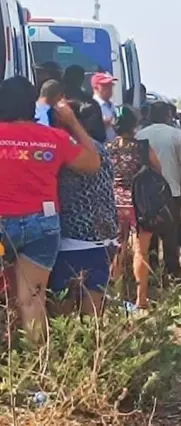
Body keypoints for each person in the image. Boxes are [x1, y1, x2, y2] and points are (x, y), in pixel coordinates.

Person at [0, 76, 100, 340]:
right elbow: (92, 163)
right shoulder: (53, 138)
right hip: (42, 226)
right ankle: (38, 368)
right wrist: (72, 123)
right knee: (32, 299)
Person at [48, 100, 119, 317]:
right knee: (93, 316)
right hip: (105, 236)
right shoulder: (102, 149)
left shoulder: (69, 151)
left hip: (73, 239)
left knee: (62, 312)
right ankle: (95, 348)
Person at [136, 101, 181, 281]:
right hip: (172, 190)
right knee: (172, 234)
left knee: (149, 235)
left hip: (145, 194)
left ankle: (153, 273)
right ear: (168, 115)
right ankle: (174, 273)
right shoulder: (177, 135)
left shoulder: (140, 135)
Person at [107, 105, 162, 309]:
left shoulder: (108, 148)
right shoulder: (143, 147)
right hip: (140, 204)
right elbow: (158, 169)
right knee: (141, 251)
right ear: (135, 124)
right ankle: (142, 299)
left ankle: (117, 297)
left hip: (114, 204)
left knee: (117, 250)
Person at [63, 65, 107, 143]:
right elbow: (100, 135)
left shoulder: (55, 100)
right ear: (82, 79)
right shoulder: (92, 103)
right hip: (86, 147)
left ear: (64, 77)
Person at [91, 72, 118, 142]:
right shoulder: (92, 106)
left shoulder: (113, 105)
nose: (109, 88)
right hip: (100, 147)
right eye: (105, 85)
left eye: (110, 85)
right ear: (96, 87)